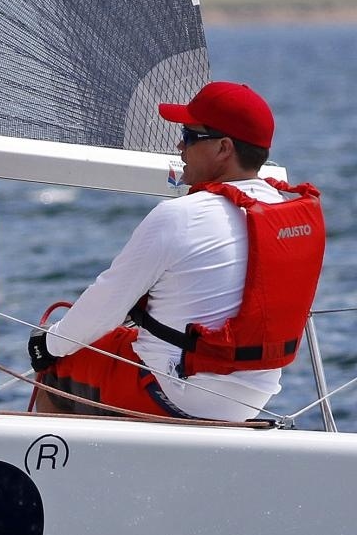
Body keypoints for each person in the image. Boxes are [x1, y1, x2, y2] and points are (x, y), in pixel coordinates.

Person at [28, 82, 323, 422]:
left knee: (59, 364)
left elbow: (105, 304)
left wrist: (46, 346)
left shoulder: (180, 216)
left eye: (189, 135)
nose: (180, 146)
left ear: (224, 148)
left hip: (177, 394)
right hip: (254, 398)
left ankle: (67, 457)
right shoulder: (285, 211)